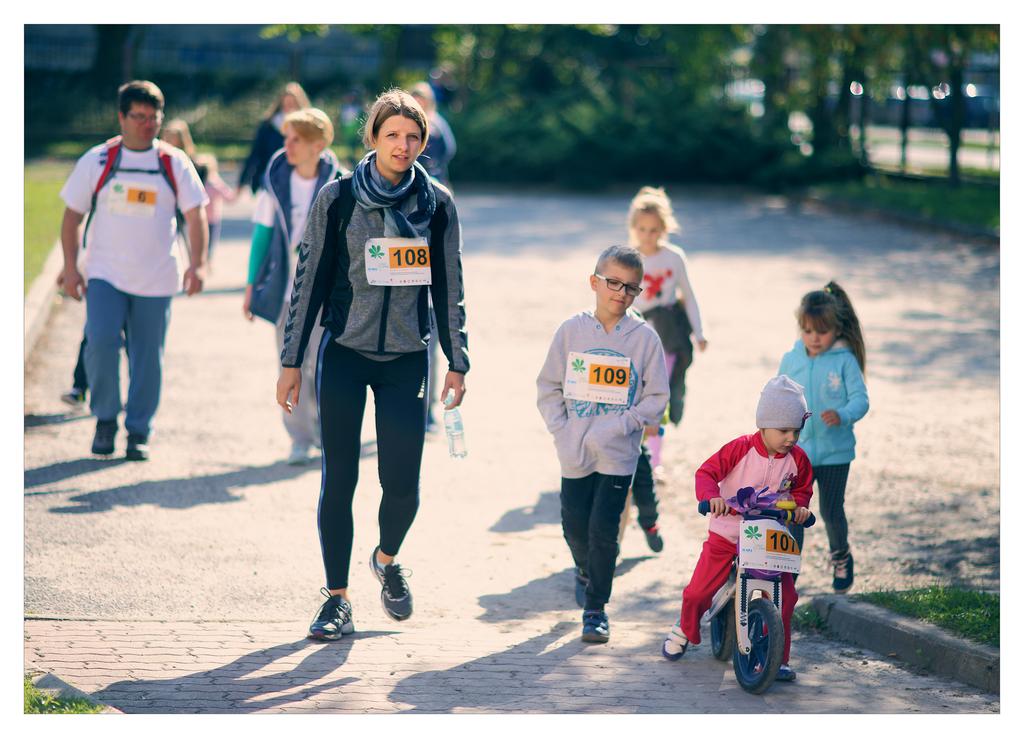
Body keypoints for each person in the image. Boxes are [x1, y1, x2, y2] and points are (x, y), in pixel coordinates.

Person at [276, 89, 469, 640]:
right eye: (392, 136)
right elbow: (307, 282)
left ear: (424, 142)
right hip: (344, 355)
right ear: (373, 138)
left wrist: (458, 360)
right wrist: (291, 361)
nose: (403, 146)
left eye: (413, 137)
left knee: (403, 484)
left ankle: (386, 559)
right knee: (339, 478)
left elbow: (449, 287)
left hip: (407, 360)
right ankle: (336, 598)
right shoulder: (337, 200)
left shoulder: (438, 205)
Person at [58, 80, 209, 461]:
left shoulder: (173, 162)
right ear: (122, 117)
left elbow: (195, 216)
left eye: (152, 117)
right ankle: (105, 419)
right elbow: (72, 216)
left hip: (156, 278)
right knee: (101, 344)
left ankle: (138, 430)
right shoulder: (98, 160)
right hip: (105, 274)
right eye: (138, 116)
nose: (146, 124)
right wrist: (70, 268)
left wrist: (198, 264)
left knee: (147, 358)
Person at [537, 245, 669, 644]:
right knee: (574, 526)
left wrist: (626, 425)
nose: (621, 293)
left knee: (604, 531)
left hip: (618, 455)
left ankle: (596, 608)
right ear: (594, 283)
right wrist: (562, 431)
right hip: (574, 453)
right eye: (613, 283)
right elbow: (548, 387)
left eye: (631, 287)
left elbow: (656, 397)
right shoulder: (571, 331)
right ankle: (584, 569)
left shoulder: (644, 339)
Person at [661, 375, 813, 681]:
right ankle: (685, 628)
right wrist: (712, 497)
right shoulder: (740, 449)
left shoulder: (798, 460)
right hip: (728, 532)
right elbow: (706, 472)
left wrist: (799, 508)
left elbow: (802, 490)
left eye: (796, 431)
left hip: (769, 537)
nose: (791, 438)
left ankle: (778, 657)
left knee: (786, 595)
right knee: (697, 591)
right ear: (763, 425)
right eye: (783, 430)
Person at [243, 108, 340, 465]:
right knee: (291, 367)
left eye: (295, 140)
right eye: (286, 138)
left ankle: (322, 431)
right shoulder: (276, 180)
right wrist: (252, 284)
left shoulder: (339, 185)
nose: (287, 146)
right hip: (287, 295)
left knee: (324, 366)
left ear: (318, 145)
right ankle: (299, 438)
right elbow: (261, 236)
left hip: (326, 297)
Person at [777, 281, 869, 593]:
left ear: (835, 329)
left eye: (821, 331)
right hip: (797, 453)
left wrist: (843, 414)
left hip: (834, 454)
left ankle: (841, 557)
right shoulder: (792, 359)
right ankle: (788, 567)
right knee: (792, 510)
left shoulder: (844, 360)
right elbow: (779, 395)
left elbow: (861, 399)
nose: (814, 338)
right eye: (807, 330)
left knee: (831, 510)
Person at [629, 186, 707, 480]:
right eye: (642, 229)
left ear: (664, 227)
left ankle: (654, 460)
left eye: (653, 229)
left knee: (659, 400)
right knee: (632, 397)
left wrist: (699, 332)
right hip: (635, 336)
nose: (648, 235)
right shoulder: (628, 257)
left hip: (668, 338)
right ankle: (630, 454)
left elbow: (689, 295)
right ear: (633, 228)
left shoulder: (674, 258)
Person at [410, 82, 458, 429]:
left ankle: (424, 408)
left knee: (430, 327)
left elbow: (449, 153)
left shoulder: (438, 130)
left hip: (430, 230)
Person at [238, 82, 311, 195]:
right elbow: (255, 154)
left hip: (298, 179)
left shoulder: (308, 126)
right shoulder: (268, 126)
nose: (289, 107)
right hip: (269, 178)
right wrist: (242, 181)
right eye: (286, 104)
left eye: (293, 103)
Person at [194, 152, 236, 265]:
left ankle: (200, 261)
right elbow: (229, 197)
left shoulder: (196, 183)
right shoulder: (215, 182)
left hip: (199, 218)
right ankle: (206, 262)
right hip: (213, 219)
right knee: (210, 244)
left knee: (199, 242)